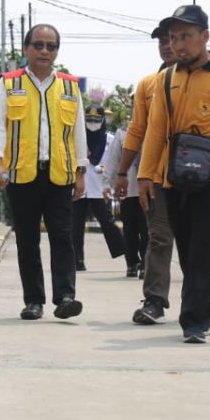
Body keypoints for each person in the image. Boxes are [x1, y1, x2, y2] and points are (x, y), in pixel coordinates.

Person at [138, 5, 210, 344]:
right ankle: (206, 308)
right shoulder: (166, 78)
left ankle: (193, 320)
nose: (178, 45)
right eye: (173, 38)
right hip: (173, 177)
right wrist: (146, 176)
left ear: (205, 36)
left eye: (185, 37)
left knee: (202, 248)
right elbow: (156, 129)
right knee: (186, 249)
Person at [0, 24, 87, 320]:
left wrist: (81, 170)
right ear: (26, 48)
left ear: (57, 51)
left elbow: (78, 130)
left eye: (51, 46)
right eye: (39, 45)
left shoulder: (69, 86)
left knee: (62, 237)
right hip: (22, 174)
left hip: (60, 174)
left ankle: (65, 296)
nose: (45, 51)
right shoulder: (8, 83)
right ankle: (34, 300)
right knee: (27, 240)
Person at [114, 27, 178, 324]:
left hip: (202, 177)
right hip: (156, 176)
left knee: (197, 242)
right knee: (159, 238)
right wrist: (122, 172)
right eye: (163, 41)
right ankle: (154, 300)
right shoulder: (148, 85)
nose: (168, 46)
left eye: (174, 39)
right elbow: (136, 131)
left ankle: (202, 303)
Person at [73, 100, 127, 271]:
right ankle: (77, 261)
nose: (93, 123)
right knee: (75, 226)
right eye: (89, 119)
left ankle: (129, 255)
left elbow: (114, 164)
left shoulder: (111, 140)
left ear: (103, 120)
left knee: (108, 223)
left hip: (100, 188)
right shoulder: (76, 139)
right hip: (79, 187)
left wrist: (109, 183)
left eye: (96, 120)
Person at [103, 121, 146, 278]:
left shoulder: (156, 126)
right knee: (130, 229)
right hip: (127, 190)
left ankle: (146, 263)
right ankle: (132, 263)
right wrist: (107, 184)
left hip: (148, 189)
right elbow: (113, 160)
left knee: (147, 229)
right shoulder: (122, 132)